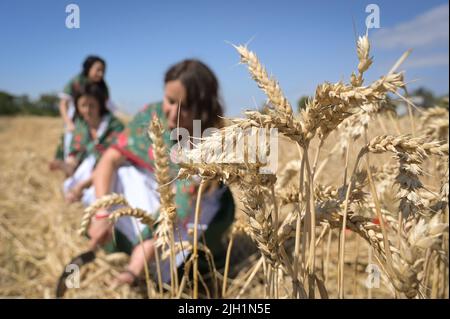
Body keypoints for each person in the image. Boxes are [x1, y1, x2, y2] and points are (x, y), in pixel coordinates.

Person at [86, 59, 235, 288]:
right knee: (119, 173)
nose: (173, 112)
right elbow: (109, 159)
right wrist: (102, 213)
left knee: (170, 261)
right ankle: (126, 247)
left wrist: (135, 268)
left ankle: (151, 264)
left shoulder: (210, 138)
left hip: (198, 208)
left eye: (185, 106)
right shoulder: (151, 115)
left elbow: (181, 205)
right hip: (163, 193)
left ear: (202, 107)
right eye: (170, 101)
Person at [50, 56, 115, 172]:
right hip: (76, 121)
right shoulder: (76, 81)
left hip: (96, 122)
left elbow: (108, 106)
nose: (100, 74)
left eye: (103, 71)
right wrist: (69, 123)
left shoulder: (103, 86)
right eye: (98, 70)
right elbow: (63, 103)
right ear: (88, 68)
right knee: (72, 150)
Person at [62, 82, 124, 204]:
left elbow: (109, 162)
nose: (87, 110)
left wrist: (81, 186)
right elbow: (74, 153)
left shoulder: (114, 126)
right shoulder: (81, 125)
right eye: (83, 105)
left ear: (100, 105)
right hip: (88, 171)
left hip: (110, 172)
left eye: (92, 105)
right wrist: (68, 165)